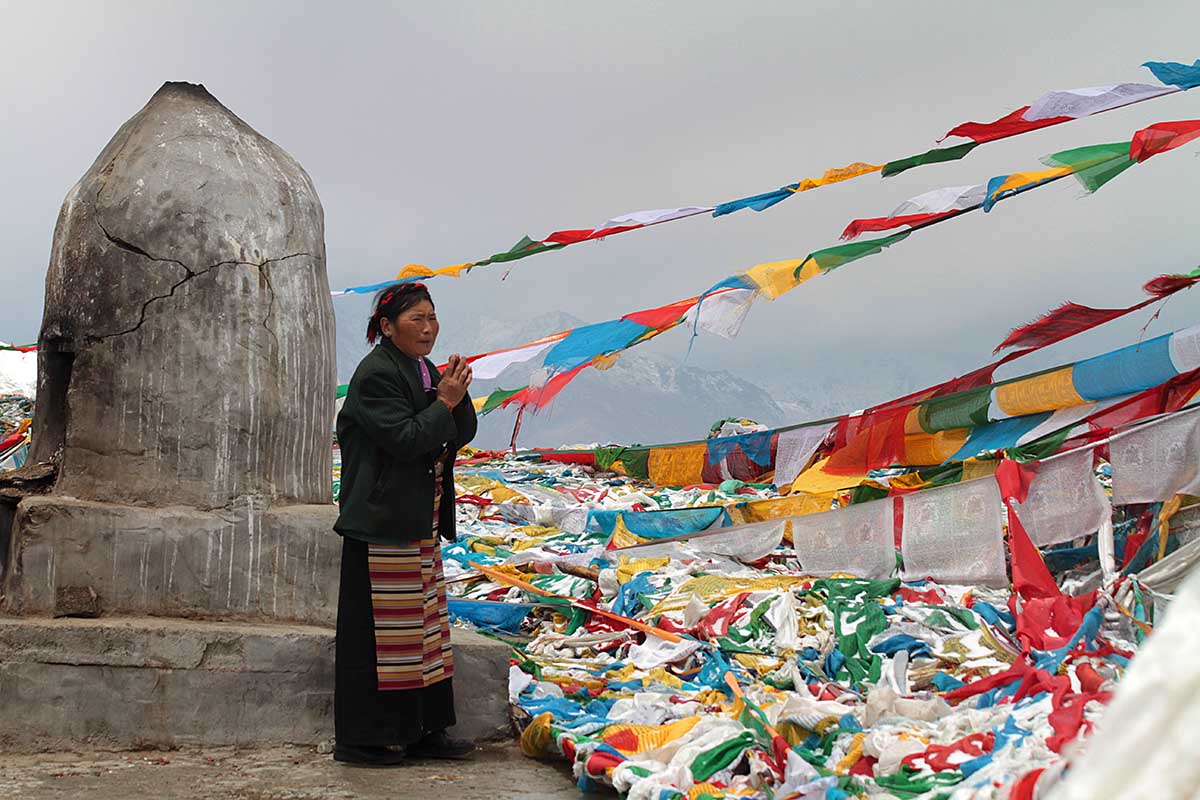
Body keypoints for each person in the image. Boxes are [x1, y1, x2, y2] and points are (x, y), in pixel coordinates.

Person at [332, 282, 478, 766]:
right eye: (416, 318)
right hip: (381, 521)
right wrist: (444, 403)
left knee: (425, 632)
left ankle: (424, 730)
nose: (428, 327)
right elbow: (408, 439)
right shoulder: (376, 375)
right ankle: (365, 738)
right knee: (380, 638)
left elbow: (455, 432)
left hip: (417, 520)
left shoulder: (422, 370)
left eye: (432, 317)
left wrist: (456, 396)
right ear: (387, 327)